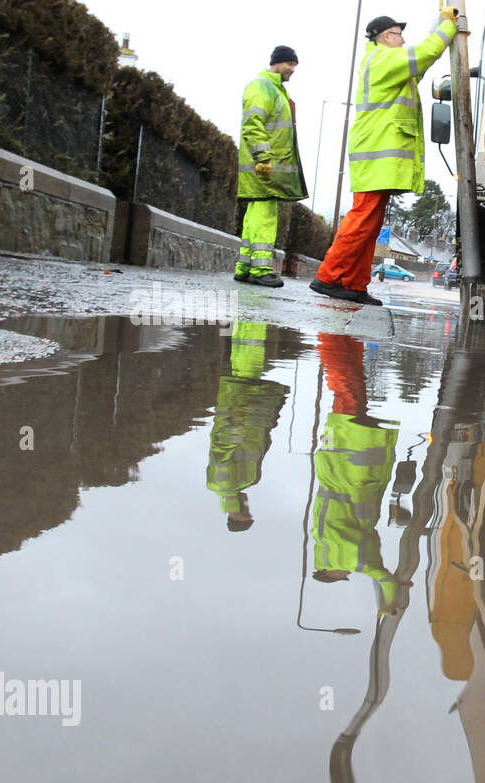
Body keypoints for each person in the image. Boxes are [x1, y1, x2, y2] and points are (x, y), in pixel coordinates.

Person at [310, 10, 459, 305]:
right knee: (363, 218)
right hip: (376, 155)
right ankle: (328, 277)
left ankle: (353, 284)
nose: (403, 40)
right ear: (385, 37)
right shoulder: (382, 59)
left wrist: (437, 27)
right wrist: (449, 28)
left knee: (370, 222)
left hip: (376, 155)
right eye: (398, 34)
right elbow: (426, 51)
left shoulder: (384, 62)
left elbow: (421, 61)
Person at [311, 334, 401, 613]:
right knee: (349, 390)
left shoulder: (343, 556)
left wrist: (390, 605)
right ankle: (341, 335)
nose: (348, 576)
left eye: (341, 577)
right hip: (340, 457)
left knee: (346, 386)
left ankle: (334, 335)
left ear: (330, 570)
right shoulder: (322, 540)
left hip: (355, 463)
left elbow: (383, 576)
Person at [236, 46, 308, 288]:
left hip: (264, 166)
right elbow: (253, 124)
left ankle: (245, 266)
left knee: (254, 216)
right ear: (278, 63)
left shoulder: (274, 90)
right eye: (291, 64)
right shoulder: (262, 87)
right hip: (263, 167)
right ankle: (261, 269)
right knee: (264, 217)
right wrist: (263, 158)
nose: (293, 70)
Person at [206, 321, 289, 530]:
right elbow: (256, 445)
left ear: (235, 514)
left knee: (247, 357)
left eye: (245, 512)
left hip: (242, 404)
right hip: (249, 408)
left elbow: (224, 448)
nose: (247, 507)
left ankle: (250, 319)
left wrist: (239, 416)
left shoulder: (222, 484)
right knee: (248, 357)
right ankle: (250, 320)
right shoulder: (240, 484)